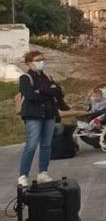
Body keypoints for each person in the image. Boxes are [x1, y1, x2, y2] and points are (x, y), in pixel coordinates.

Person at [17, 51, 67, 186]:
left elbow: (57, 91)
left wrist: (42, 91)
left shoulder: (48, 77)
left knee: (46, 145)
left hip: (49, 114)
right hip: (34, 115)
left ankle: (43, 172)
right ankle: (23, 174)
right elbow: (30, 95)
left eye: (42, 59)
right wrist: (47, 92)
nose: (40, 62)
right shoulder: (26, 78)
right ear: (29, 63)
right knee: (31, 145)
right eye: (37, 60)